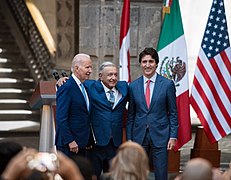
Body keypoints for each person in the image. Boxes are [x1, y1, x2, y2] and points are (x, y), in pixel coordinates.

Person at [57, 61, 128, 179]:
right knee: (92, 175)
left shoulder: (124, 87)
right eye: (110, 75)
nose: (113, 78)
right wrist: (63, 80)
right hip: (96, 144)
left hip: (114, 144)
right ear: (100, 76)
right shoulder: (90, 86)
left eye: (115, 74)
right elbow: (75, 83)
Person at [126, 47, 178, 180]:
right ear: (140, 64)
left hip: (161, 135)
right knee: (137, 173)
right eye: (144, 62)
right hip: (139, 135)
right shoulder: (133, 86)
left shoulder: (167, 84)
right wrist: (129, 139)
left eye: (151, 61)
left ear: (156, 63)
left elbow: (173, 113)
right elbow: (131, 115)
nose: (147, 65)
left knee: (161, 173)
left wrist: (173, 136)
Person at [55, 53, 93, 157]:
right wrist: (70, 140)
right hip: (69, 145)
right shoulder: (66, 87)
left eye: (91, 67)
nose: (90, 71)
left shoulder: (84, 86)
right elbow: (61, 118)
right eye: (87, 67)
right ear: (77, 68)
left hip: (81, 143)